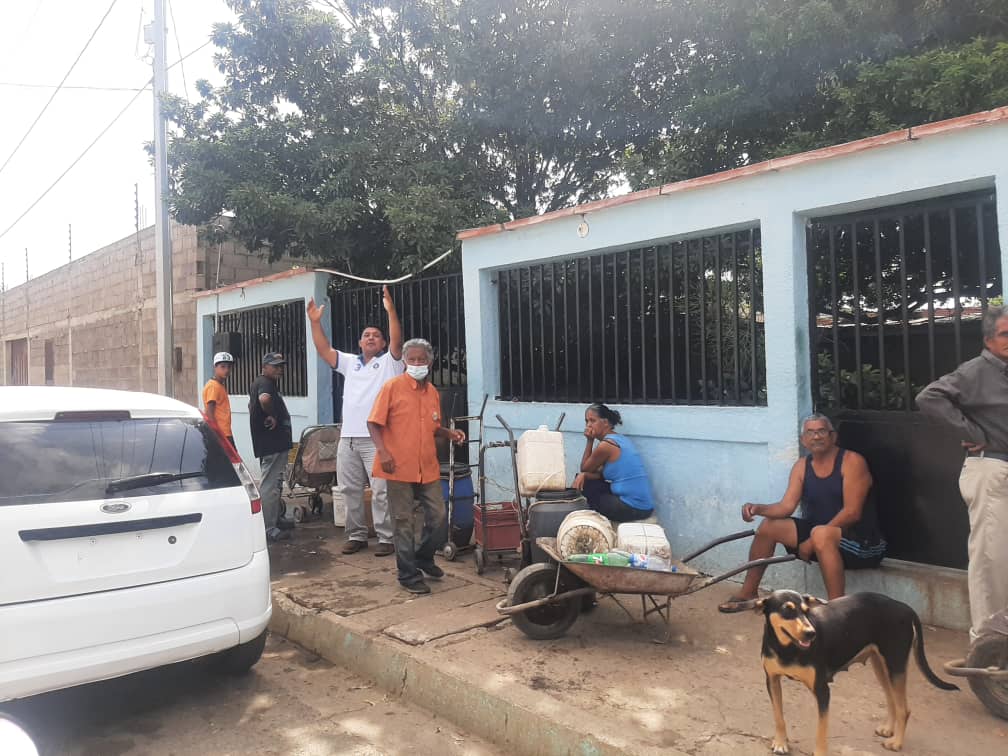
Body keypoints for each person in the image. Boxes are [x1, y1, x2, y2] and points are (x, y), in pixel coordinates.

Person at [718, 413, 886, 612]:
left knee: (821, 534)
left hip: (862, 543)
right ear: (803, 440)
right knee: (769, 526)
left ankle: (837, 610)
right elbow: (786, 507)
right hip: (821, 536)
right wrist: (758, 509)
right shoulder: (802, 466)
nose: (816, 437)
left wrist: (812, 540)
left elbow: (852, 513)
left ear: (833, 436)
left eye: (822, 431)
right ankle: (748, 592)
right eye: (810, 432)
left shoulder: (852, 461)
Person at [916, 304, 1008, 642]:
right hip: (992, 471)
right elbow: (929, 398)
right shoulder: (975, 371)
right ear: (988, 339)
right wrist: (971, 433)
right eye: (1005, 334)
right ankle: (988, 648)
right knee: (991, 563)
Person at [307, 286, 403, 557]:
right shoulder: (351, 363)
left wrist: (391, 311)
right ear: (360, 343)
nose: (371, 337)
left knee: (381, 491)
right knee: (349, 490)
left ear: (383, 344)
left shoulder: (389, 364)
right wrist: (315, 322)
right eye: (366, 335)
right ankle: (357, 534)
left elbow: (398, 341)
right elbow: (323, 349)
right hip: (347, 438)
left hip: (377, 439)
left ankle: (386, 538)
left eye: (376, 335)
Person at [367, 338, 465, 594]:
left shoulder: (431, 392)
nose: (417, 363)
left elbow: (431, 427)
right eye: (413, 359)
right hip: (397, 467)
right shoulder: (392, 387)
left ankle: (423, 557)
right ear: (405, 362)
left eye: (422, 359)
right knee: (403, 522)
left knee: (439, 517)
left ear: (430, 363)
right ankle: (408, 575)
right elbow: (373, 423)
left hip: (427, 467)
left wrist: (449, 433)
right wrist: (383, 451)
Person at [572, 403, 655, 523]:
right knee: (585, 480)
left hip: (634, 507)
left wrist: (590, 441)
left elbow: (585, 468)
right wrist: (584, 475)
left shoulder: (606, 446)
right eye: (586, 421)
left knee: (587, 488)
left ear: (605, 422)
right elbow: (599, 474)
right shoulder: (620, 439)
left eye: (592, 421)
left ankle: (586, 524)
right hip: (642, 505)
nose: (588, 425)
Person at [249, 352, 293, 542]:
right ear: (264, 367)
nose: (279, 369)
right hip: (271, 443)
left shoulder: (262, 382)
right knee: (270, 485)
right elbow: (264, 399)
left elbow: (252, 404)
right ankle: (268, 528)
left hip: (275, 443)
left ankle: (275, 519)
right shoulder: (265, 383)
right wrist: (272, 415)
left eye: (280, 366)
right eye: (274, 366)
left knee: (276, 482)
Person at [203, 351, 236, 449]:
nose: (226, 370)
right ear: (215, 367)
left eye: (229, 367)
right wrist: (217, 435)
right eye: (223, 366)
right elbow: (209, 413)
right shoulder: (213, 386)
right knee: (233, 463)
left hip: (224, 432)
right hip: (221, 434)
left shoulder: (219, 385)